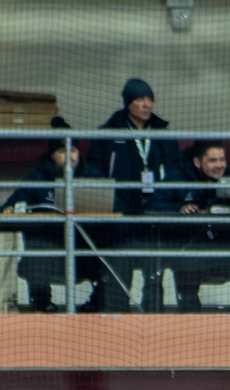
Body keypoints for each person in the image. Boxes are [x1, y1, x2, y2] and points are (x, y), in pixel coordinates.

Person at [86, 77, 174, 311]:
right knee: (119, 271)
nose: (146, 105)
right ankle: (116, 320)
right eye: (140, 99)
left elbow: (174, 171)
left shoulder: (163, 133)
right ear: (128, 103)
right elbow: (96, 173)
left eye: (150, 99)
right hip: (120, 216)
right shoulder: (108, 134)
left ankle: (153, 319)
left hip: (154, 214)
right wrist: (111, 205)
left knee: (154, 272)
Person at [158, 139, 230, 312]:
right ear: (197, 162)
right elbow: (155, 205)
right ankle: (189, 311)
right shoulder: (177, 177)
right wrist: (179, 208)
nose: (220, 165)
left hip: (228, 244)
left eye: (222, 159)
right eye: (213, 160)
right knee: (186, 264)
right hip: (192, 246)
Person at [0, 119, 79, 312]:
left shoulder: (91, 175)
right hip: (46, 246)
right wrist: (8, 210)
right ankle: (42, 304)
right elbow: (6, 207)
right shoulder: (36, 177)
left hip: (81, 245)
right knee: (38, 253)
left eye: (73, 151)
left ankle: (100, 306)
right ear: (52, 155)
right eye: (62, 152)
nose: (69, 157)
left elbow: (113, 205)